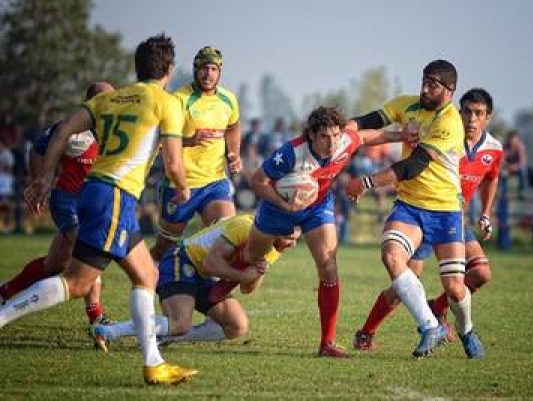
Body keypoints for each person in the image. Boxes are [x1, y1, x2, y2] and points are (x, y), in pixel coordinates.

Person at [0, 34, 197, 385]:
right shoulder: (166, 102)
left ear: (138, 67)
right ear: (169, 69)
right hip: (115, 196)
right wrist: (182, 188)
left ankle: (154, 364)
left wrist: (45, 178)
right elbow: (172, 162)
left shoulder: (110, 98)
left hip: (98, 192)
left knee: (146, 275)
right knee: (76, 282)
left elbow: (61, 132)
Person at [245, 105, 418, 358]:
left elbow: (369, 136)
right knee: (250, 261)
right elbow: (257, 181)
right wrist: (286, 205)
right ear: (312, 135)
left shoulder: (343, 142)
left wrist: (400, 136)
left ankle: (327, 344)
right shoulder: (291, 153)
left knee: (328, 267)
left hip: (317, 207)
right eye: (325, 136)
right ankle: (221, 289)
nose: (332, 142)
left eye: (336, 136)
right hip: (277, 209)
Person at [345, 60, 485, 359]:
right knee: (391, 256)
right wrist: (347, 127)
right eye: (424, 81)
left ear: (449, 90)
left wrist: (366, 182)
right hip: (410, 207)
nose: (424, 89)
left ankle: (467, 331)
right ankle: (429, 326)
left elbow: (412, 166)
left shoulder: (449, 122)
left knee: (455, 289)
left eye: (433, 84)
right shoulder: (407, 105)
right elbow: (373, 118)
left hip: (445, 210)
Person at [0, 83, 114, 331]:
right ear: (91, 104)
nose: (111, 103)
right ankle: (97, 317)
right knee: (88, 249)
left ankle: (5, 291)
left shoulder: (115, 131)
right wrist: (39, 181)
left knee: (53, 266)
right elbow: (37, 149)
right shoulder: (74, 131)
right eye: (106, 98)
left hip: (92, 206)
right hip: (67, 201)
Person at [91, 214, 300, 348]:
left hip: (203, 276)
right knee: (180, 322)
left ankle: (170, 336)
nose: (293, 244)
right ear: (277, 229)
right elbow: (211, 264)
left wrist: (258, 272)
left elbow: (247, 289)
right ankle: (111, 331)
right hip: (181, 261)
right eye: (290, 238)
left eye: (296, 239)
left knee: (237, 326)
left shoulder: (274, 246)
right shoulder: (245, 227)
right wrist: (244, 275)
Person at [150, 46, 241, 264]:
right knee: (165, 248)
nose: (208, 74)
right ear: (195, 70)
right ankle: (144, 279)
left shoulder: (228, 100)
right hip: (181, 184)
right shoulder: (179, 100)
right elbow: (161, 142)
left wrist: (234, 154)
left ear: (219, 72)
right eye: (203, 68)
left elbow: (234, 126)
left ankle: (210, 292)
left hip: (214, 182)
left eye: (213, 69)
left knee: (229, 238)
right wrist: (190, 140)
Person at [503, 130, 528, 196]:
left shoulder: (520, 147)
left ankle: (522, 191)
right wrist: (508, 167)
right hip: (508, 168)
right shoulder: (505, 146)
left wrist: (515, 167)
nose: (512, 142)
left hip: (518, 168)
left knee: (523, 171)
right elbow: (502, 160)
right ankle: (503, 191)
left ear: (517, 140)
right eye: (510, 139)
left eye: (513, 140)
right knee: (502, 173)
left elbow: (522, 162)